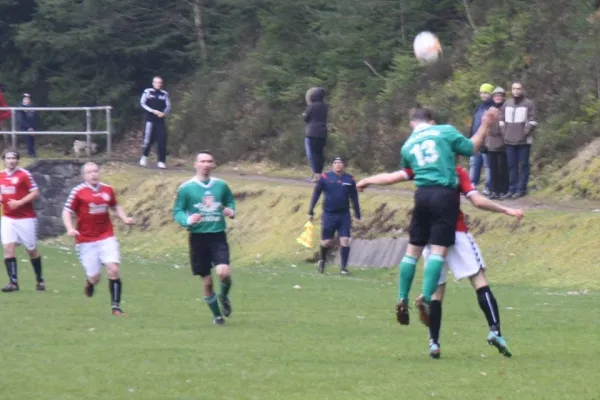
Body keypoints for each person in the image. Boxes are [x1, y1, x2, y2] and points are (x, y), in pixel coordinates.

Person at [357, 164, 521, 359]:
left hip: (430, 236)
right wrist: (506, 210)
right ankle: (495, 331)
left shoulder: (422, 166)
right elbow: (476, 200)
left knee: (436, 291)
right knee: (479, 280)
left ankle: (434, 343)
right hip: (456, 232)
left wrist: (368, 180)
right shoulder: (456, 171)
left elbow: (392, 177)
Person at [368, 107, 497, 327]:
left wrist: (367, 180)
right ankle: (426, 298)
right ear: (432, 121)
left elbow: (401, 174)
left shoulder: (408, 146)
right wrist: (485, 124)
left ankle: (401, 296)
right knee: (438, 250)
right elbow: (471, 148)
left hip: (422, 196)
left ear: (412, 124)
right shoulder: (444, 131)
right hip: (444, 196)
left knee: (413, 250)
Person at [62, 162, 135, 316]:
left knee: (113, 270)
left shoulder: (107, 189)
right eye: (89, 172)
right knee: (95, 277)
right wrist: (70, 228)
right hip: (86, 240)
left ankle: (116, 307)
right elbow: (66, 211)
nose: (93, 174)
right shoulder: (78, 192)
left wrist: (124, 218)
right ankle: (89, 282)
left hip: (105, 236)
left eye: (95, 171)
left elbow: (115, 206)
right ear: (84, 176)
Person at [173, 151, 236, 325]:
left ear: (213, 165)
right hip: (197, 238)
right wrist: (187, 220)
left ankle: (223, 296)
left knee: (223, 273)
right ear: (196, 164)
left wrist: (231, 211)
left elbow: (230, 201)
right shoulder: (186, 188)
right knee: (207, 282)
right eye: (203, 161)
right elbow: (177, 211)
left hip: (217, 235)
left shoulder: (221, 185)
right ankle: (217, 316)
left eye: (210, 161)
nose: (206, 164)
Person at [307, 157, 361, 275]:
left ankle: (343, 268)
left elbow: (354, 198)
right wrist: (310, 211)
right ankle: (322, 259)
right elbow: (316, 194)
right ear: (332, 165)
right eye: (335, 163)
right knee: (325, 242)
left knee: (345, 240)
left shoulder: (349, 179)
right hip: (329, 215)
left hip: (344, 215)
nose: (337, 165)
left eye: (340, 163)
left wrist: (357, 214)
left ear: (344, 165)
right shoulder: (325, 178)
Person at [0, 149, 45, 292]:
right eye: (8, 158)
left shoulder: (24, 175)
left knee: (31, 250)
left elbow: (35, 192)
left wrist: (19, 202)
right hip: (8, 218)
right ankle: (13, 283)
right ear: (4, 160)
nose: (11, 160)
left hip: (25, 218)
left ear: (17, 160)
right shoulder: (0, 176)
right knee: (8, 249)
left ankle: (39, 279)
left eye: (14, 158)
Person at [500, 82, 537, 199]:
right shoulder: (507, 103)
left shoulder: (528, 103)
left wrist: (525, 132)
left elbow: (533, 121)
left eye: (518, 89)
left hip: (523, 142)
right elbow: (501, 120)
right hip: (509, 141)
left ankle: (521, 189)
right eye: (514, 89)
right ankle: (512, 189)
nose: (516, 91)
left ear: (522, 90)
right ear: (511, 90)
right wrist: (503, 132)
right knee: (511, 166)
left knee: (523, 165)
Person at [140, 76, 171, 169]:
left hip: (160, 120)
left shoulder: (164, 94)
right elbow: (142, 103)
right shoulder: (147, 91)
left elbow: (168, 106)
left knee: (162, 139)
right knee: (148, 140)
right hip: (150, 120)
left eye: (160, 82)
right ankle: (144, 156)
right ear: (153, 83)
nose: (158, 84)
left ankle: (161, 161)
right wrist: (152, 111)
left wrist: (164, 113)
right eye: (156, 82)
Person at [469, 84, 495, 194]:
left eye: (486, 92)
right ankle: (471, 185)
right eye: (482, 93)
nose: (483, 95)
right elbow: (473, 123)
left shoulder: (493, 108)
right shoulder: (478, 107)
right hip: (475, 139)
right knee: (474, 164)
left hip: (487, 141)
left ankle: (488, 187)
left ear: (491, 94)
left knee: (488, 165)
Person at [485, 87, 508, 199]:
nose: (498, 98)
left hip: (503, 143)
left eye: (500, 96)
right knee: (493, 168)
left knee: (502, 168)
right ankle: (494, 190)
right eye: (496, 96)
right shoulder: (489, 110)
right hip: (491, 144)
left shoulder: (506, 109)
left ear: (503, 97)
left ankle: (503, 190)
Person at [303, 87, 328, 182]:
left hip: (311, 133)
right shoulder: (324, 106)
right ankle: (319, 174)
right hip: (322, 132)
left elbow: (306, 118)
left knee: (312, 154)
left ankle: (316, 175)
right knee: (320, 154)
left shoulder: (311, 106)